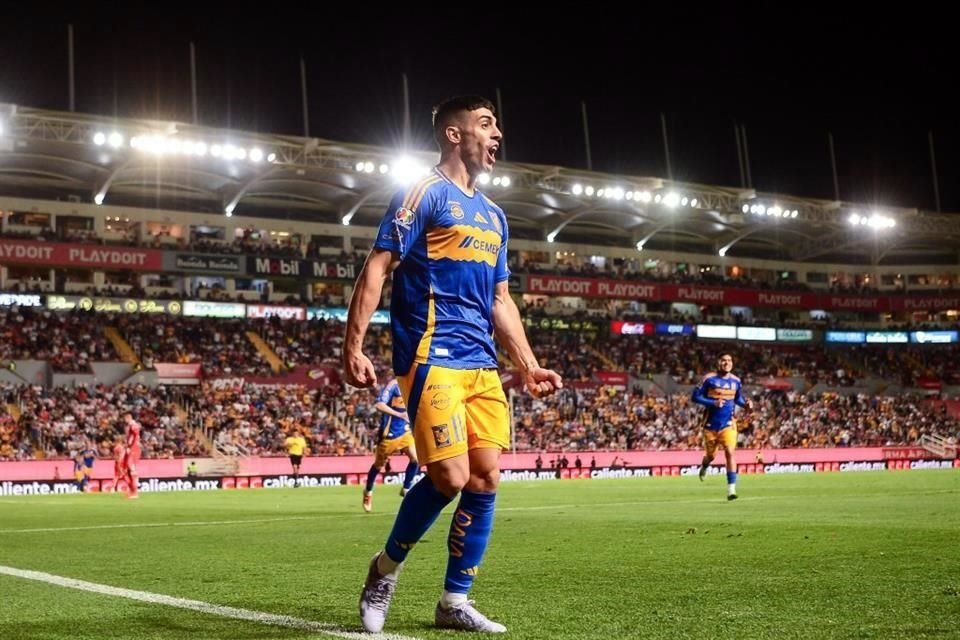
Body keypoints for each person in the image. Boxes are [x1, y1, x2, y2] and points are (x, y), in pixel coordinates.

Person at [344, 95, 562, 634]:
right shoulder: (425, 192)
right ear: (454, 134)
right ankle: (384, 569)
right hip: (429, 353)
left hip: (482, 362)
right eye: (486, 124)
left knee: (485, 480)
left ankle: (453, 602)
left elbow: (501, 300)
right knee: (450, 476)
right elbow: (378, 267)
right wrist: (353, 344)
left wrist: (528, 364)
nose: (497, 134)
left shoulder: (493, 216)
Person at [691, 353, 753, 500]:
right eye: (724, 360)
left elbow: (737, 398)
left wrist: (746, 405)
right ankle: (705, 466)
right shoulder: (709, 379)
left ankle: (731, 490)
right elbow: (695, 397)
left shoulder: (736, 381)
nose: (727, 363)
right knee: (711, 456)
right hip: (710, 425)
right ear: (718, 362)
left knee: (730, 452)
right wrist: (713, 403)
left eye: (730, 360)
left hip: (728, 423)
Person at [363, 376, 419, 512]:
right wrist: (399, 415)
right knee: (378, 465)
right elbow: (379, 405)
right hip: (390, 433)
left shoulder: (415, 383)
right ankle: (368, 492)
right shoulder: (394, 385)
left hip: (406, 432)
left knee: (416, 459)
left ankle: (406, 489)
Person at [123, 412, 141, 499]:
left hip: (133, 449)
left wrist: (129, 447)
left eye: (125, 418)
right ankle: (132, 491)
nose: (124, 420)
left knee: (131, 469)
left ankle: (135, 492)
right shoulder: (132, 426)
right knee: (126, 470)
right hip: (132, 448)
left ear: (128, 417)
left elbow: (134, 437)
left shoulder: (133, 425)